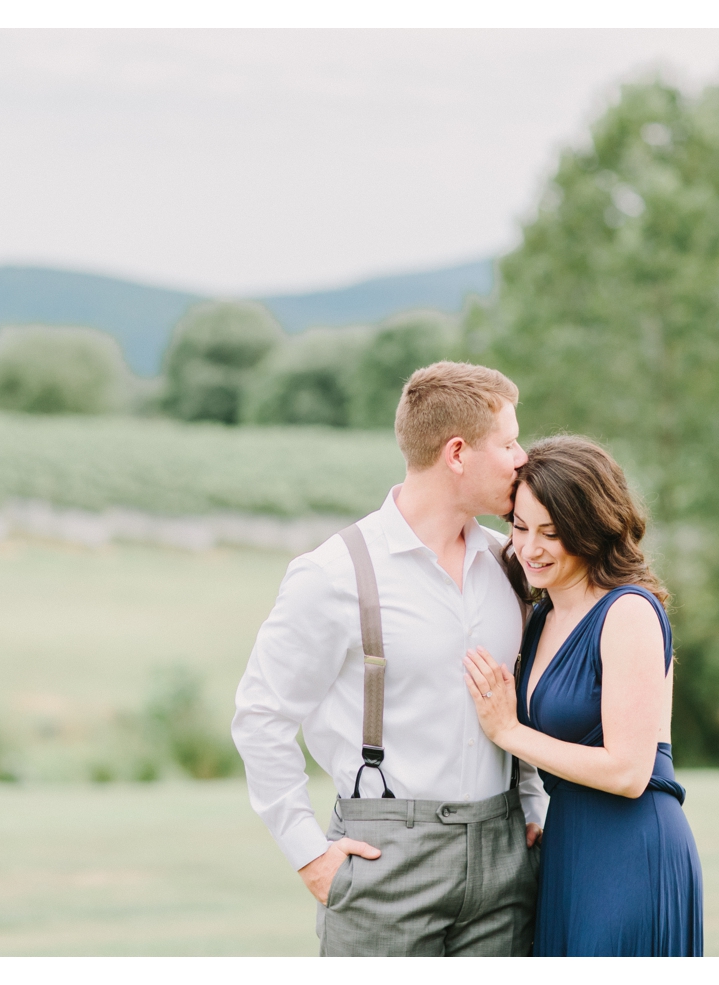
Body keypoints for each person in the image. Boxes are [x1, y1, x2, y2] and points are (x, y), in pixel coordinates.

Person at [232, 361, 549, 956]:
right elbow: (260, 717)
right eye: (507, 443)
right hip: (385, 864)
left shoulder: (510, 564)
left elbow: (521, 699)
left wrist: (532, 805)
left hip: (507, 858)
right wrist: (310, 855)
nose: (521, 458)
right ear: (458, 453)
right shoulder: (333, 574)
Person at [462, 435, 704, 956]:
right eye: (520, 527)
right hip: (569, 844)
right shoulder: (543, 615)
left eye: (551, 532)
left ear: (591, 529)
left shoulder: (627, 612)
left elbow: (627, 771)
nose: (530, 548)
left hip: (632, 852)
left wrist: (509, 731)